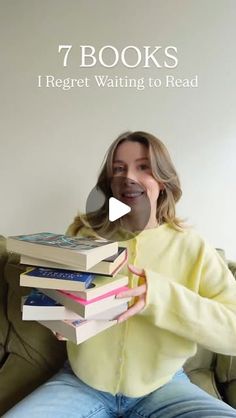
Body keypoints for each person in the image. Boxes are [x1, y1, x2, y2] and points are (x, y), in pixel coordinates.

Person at [5, 131, 236, 417]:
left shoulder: (193, 246)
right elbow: (55, 291)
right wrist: (57, 316)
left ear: (162, 181)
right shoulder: (81, 233)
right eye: (119, 168)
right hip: (81, 383)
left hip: (165, 386)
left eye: (143, 167)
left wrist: (161, 297)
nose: (129, 177)